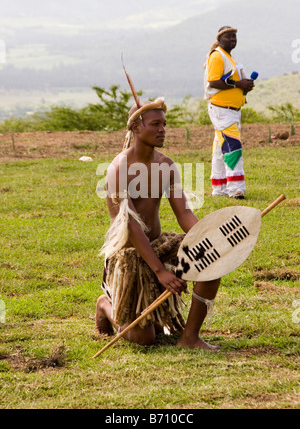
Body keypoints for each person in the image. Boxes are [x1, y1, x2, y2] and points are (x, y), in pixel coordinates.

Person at [95, 95, 221, 350]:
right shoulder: (118, 168)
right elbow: (129, 225)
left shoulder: (166, 165)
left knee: (213, 261)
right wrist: (160, 271)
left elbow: (184, 213)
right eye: (155, 124)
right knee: (145, 339)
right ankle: (105, 305)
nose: (162, 130)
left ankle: (190, 337)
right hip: (130, 255)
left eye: (164, 124)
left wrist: (205, 237)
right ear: (136, 127)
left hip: (160, 246)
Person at [204, 26, 255, 199]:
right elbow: (213, 82)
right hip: (222, 109)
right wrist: (238, 85)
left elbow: (231, 81)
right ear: (219, 39)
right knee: (233, 146)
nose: (232, 39)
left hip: (230, 110)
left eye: (234, 36)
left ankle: (219, 188)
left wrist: (245, 86)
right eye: (228, 36)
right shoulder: (217, 55)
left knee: (220, 149)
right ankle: (236, 188)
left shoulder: (229, 57)